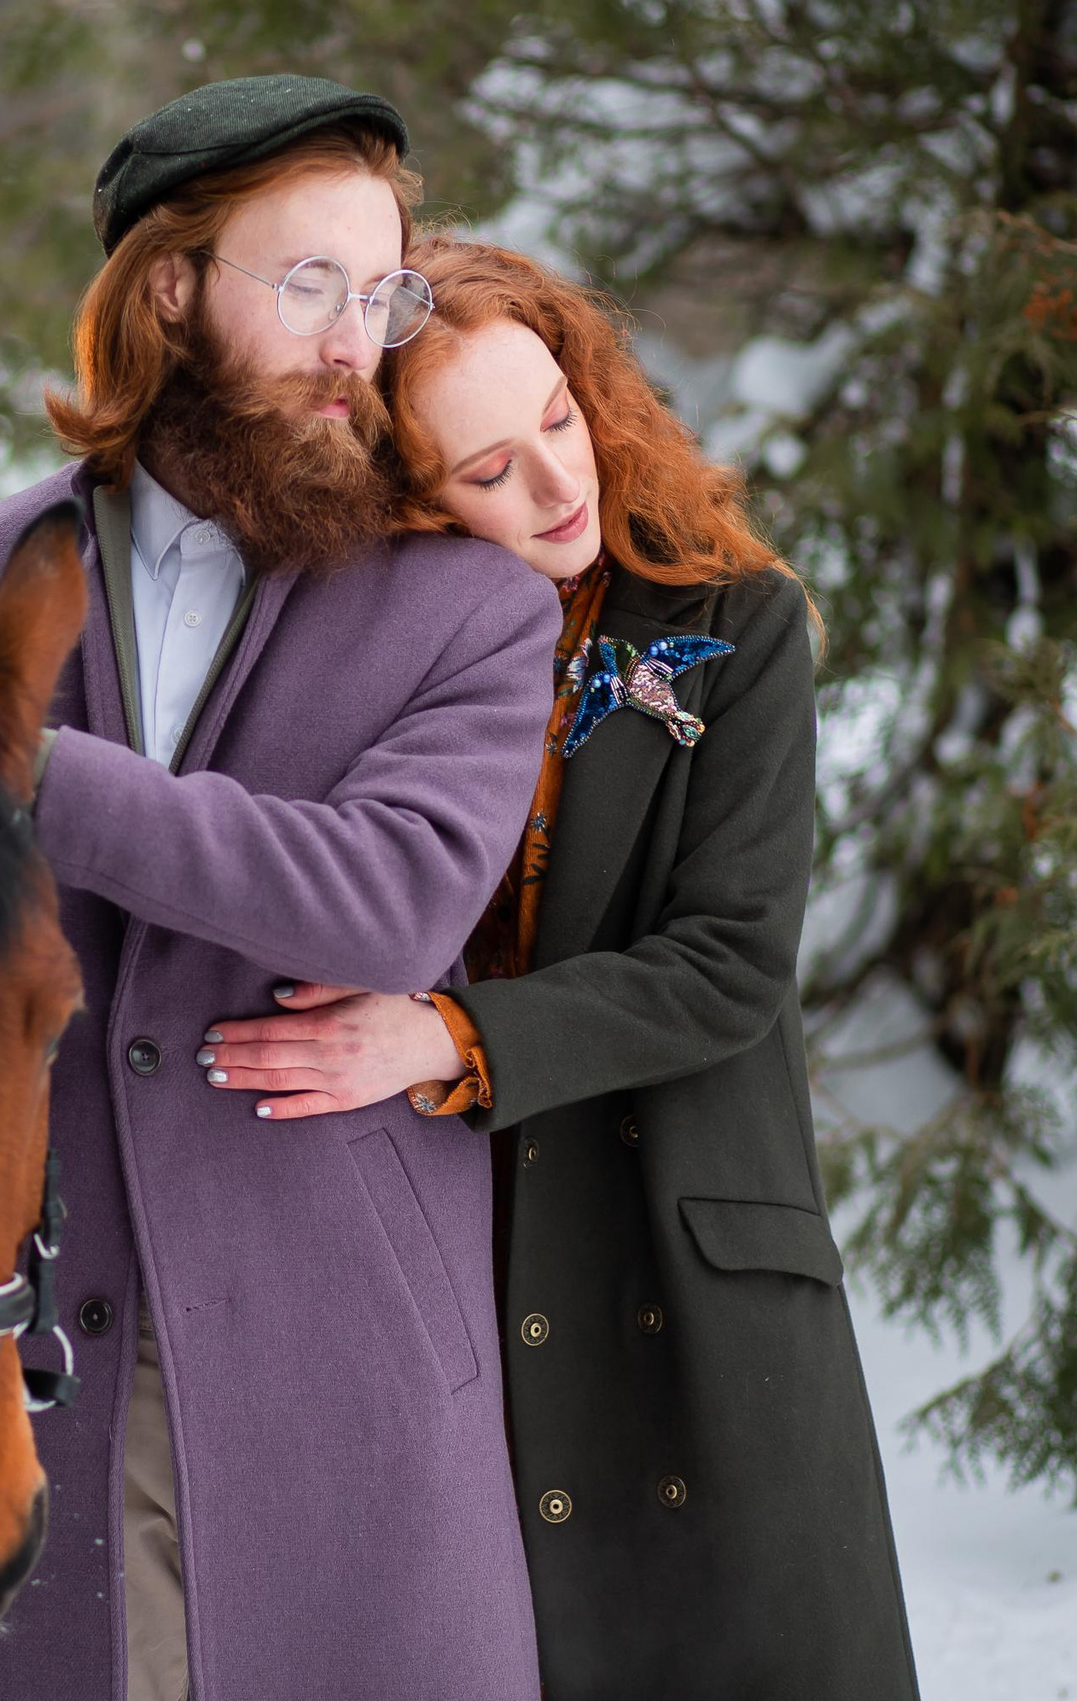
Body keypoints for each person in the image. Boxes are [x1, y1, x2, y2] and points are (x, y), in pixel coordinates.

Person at [0, 79, 560, 1700]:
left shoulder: (469, 609)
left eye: (383, 294)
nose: (359, 341)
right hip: (13, 1383)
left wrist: (16, 758)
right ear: (170, 290)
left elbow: (392, 903)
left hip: (335, 1387)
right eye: (311, 288)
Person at [194, 236, 922, 1699]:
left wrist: (449, 1037)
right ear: (400, 495)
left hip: (686, 1256)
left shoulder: (731, 622)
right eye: (485, 474)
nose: (556, 486)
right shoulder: (364, 656)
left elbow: (727, 965)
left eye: (557, 421)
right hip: (469, 1256)